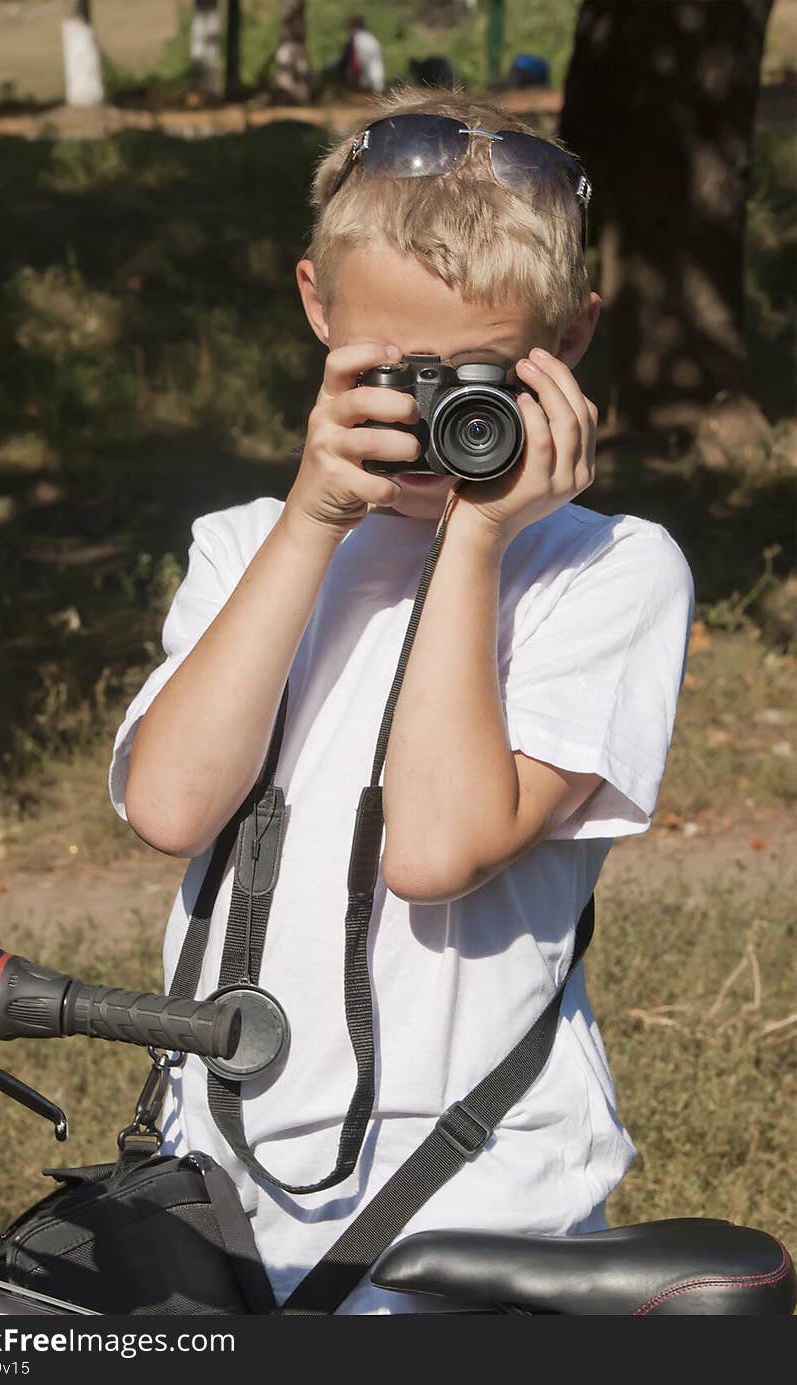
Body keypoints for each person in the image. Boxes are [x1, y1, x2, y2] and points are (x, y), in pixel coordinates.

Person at [109, 88, 694, 1315]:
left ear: (572, 341)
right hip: (216, 1171)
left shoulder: (606, 567)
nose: (438, 425)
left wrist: (477, 543)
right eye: (392, 375)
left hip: (476, 1195)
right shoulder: (249, 545)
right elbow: (168, 805)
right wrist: (315, 519)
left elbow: (433, 848)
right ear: (316, 303)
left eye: (477, 383)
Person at [324, 15, 385, 93]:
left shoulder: (356, 38)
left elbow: (351, 60)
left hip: (364, 79)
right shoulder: (370, 38)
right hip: (375, 80)